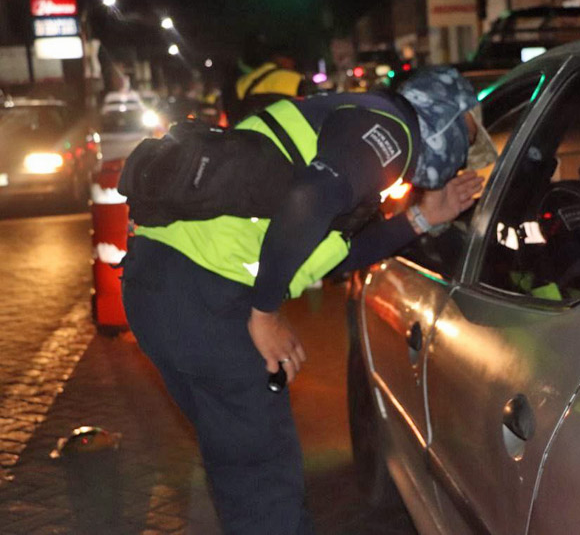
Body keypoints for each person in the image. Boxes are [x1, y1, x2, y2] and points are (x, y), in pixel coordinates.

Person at [120, 67, 489, 534]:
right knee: (264, 484)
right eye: (468, 133)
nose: (463, 154)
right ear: (441, 113)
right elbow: (307, 202)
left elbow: (328, 254)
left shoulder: (352, 124)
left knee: (242, 470)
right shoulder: (393, 129)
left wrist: (418, 219)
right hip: (208, 295)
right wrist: (265, 313)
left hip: (159, 286)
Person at [223, 35, 312, 124]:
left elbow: (232, 115)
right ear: (284, 59)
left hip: (248, 135)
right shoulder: (295, 79)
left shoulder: (243, 82)